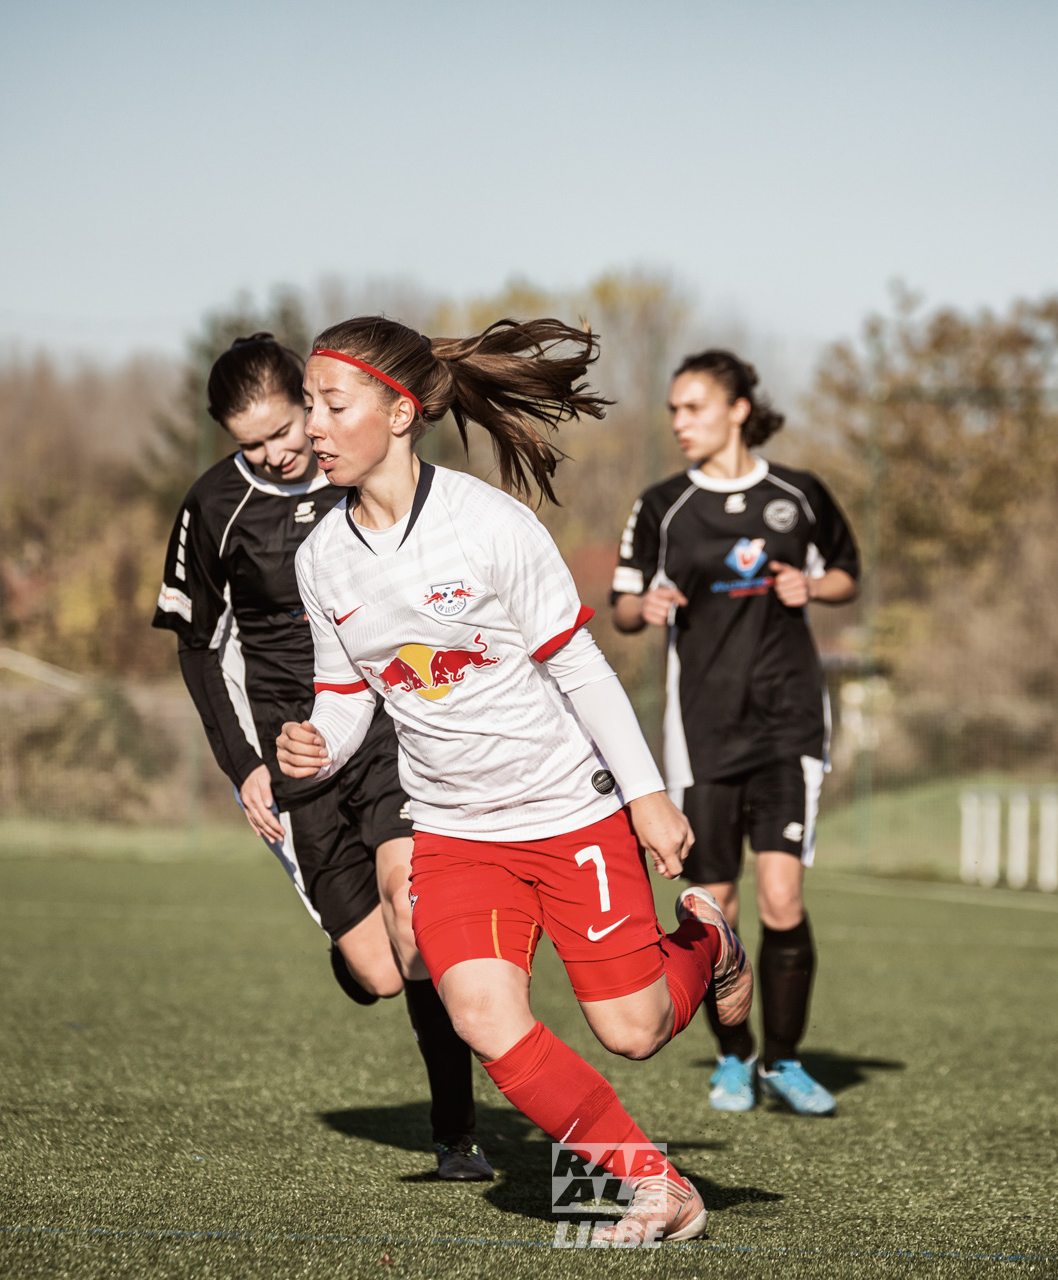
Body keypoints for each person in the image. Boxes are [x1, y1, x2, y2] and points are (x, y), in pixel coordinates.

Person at [276, 316, 751, 1245]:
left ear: (400, 412)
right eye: (309, 407)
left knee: (635, 1030)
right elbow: (346, 696)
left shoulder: (490, 526)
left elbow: (579, 667)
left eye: (331, 405)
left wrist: (646, 792)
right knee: (482, 1017)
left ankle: (707, 944)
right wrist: (318, 748)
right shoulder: (319, 556)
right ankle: (655, 1186)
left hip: (569, 813)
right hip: (453, 831)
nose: (313, 427)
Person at [152, 334, 490, 1180]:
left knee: (417, 924)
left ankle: (457, 1137)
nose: (278, 450)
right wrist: (247, 765)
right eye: (252, 442)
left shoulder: (360, 477)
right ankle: (351, 952)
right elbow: (198, 650)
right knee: (378, 970)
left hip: (380, 730)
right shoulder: (214, 506)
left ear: (310, 401)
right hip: (294, 752)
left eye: (285, 425)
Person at [610, 350, 859, 1117]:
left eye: (693, 407)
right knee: (713, 905)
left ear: (737, 409)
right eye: (675, 411)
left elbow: (847, 575)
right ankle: (734, 1059)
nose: (680, 423)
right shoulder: (662, 507)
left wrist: (810, 586)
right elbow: (620, 605)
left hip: (788, 723)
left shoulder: (798, 494)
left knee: (781, 898)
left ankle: (784, 1062)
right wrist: (643, 609)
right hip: (701, 730)